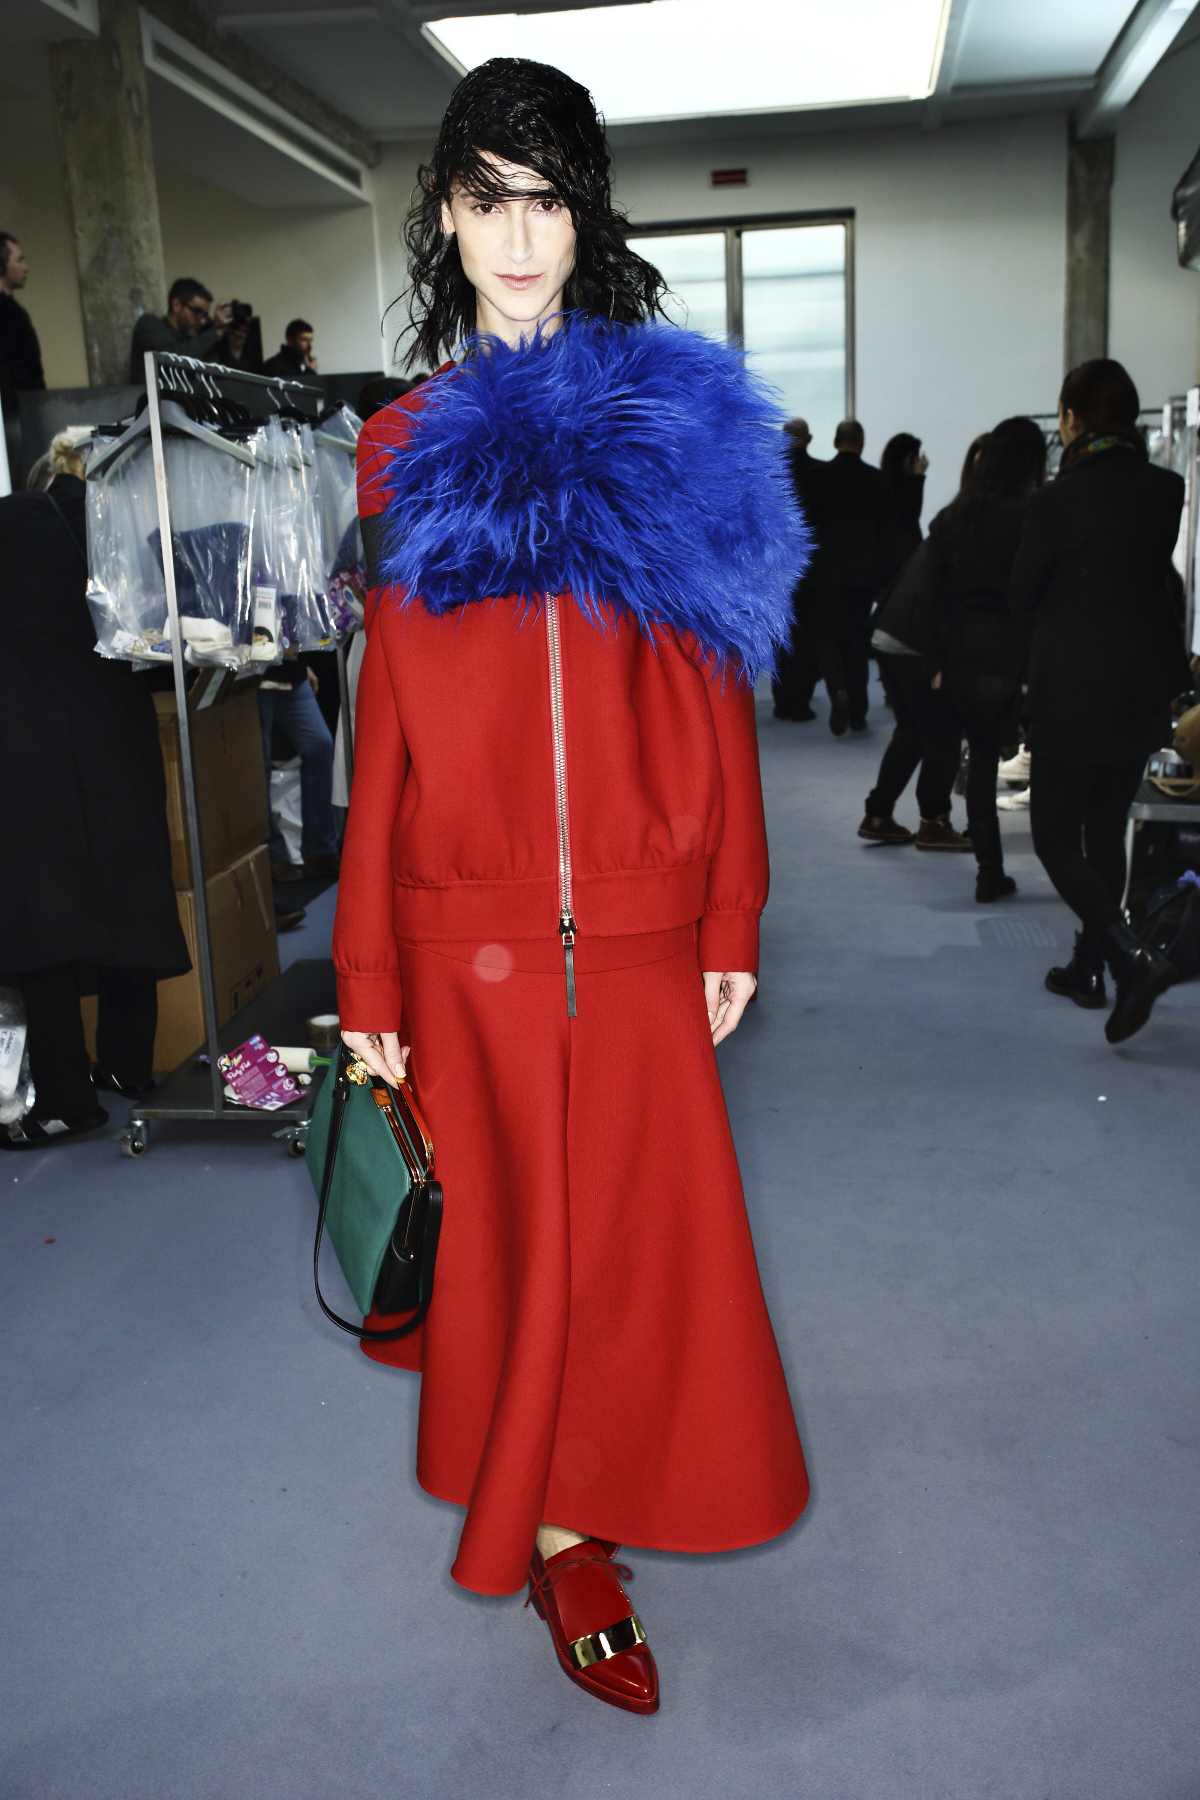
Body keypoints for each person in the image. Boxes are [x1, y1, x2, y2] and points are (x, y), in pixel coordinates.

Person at [333, 55, 809, 1715]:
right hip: (466, 934)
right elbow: (381, 724)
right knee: (518, 1252)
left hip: (638, 916)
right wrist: (370, 978)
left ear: (583, 215)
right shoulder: (398, 447)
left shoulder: (675, 418)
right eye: (487, 198)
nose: (518, 236)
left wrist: (729, 906)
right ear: (445, 216)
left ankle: (590, 1504)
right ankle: (558, 1539)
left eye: (547, 199)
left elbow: (719, 684)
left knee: (634, 1250)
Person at [0, 435, 190, 1147]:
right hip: (116, 725)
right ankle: (129, 1065)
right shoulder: (123, 535)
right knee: (128, 890)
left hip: (30, 743)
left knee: (42, 914)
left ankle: (65, 1096)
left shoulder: (15, 526)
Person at [1010, 358, 1188, 1042]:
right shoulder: (1166, 489)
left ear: (1073, 418)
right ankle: (1090, 965)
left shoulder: (1057, 500)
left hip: (1071, 687)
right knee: (1105, 829)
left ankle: (1129, 956)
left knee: (1055, 837)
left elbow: (1023, 593)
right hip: (1142, 686)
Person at [918, 417, 1047, 900]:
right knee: (1028, 756)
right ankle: (1060, 862)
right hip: (1018, 656)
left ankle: (988, 869)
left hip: (963, 655)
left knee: (980, 764)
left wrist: (934, 662)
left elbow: (931, 596)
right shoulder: (1036, 515)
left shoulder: (955, 516)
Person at [858, 541, 970, 850]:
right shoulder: (979, 539)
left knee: (911, 732)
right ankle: (933, 823)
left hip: (887, 631)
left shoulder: (947, 527)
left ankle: (878, 814)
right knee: (943, 735)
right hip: (915, 643)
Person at [808, 418, 897, 735]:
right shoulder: (878, 480)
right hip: (865, 572)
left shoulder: (816, 479)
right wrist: (886, 579)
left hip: (825, 572)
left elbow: (804, 530)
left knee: (828, 637)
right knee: (858, 638)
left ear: (834, 442)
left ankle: (838, 693)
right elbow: (887, 533)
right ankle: (858, 712)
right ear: (861, 442)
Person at [258, 664, 341, 882]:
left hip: (286, 667)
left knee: (319, 745)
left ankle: (320, 849)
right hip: (250, 670)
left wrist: (300, 663)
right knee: (259, 760)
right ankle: (272, 853)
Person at [771, 417, 824, 721]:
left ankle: (781, 700)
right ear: (810, 438)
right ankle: (800, 701)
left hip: (776, 567)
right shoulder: (822, 475)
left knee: (780, 636)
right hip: (812, 568)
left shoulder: (767, 474)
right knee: (805, 636)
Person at [129, 279, 247, 382]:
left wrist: (234, 348)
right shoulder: (149, 323)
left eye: (205, 315)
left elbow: (223, 380)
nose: (201, 321)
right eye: (196, 312)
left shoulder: (197, 339)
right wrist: (216, 332)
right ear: (176, 305)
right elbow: (173, 357)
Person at [0, 234, 45, 399]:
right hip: (13, 411)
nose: (25, 267)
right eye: (19, 261)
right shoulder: (8, 312)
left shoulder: (15, 311)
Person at [881, 431, 928, 565]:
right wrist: (918, 477)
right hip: (900, 557)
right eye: (914, 457)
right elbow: (911, 515)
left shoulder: (888, 483)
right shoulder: (889, 486)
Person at [263, 318, 319, 383]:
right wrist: (310, 372)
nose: (310, 346)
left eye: (311, 340)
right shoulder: (274, 366)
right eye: (304, 340)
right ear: (290, 341)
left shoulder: (307, 364)